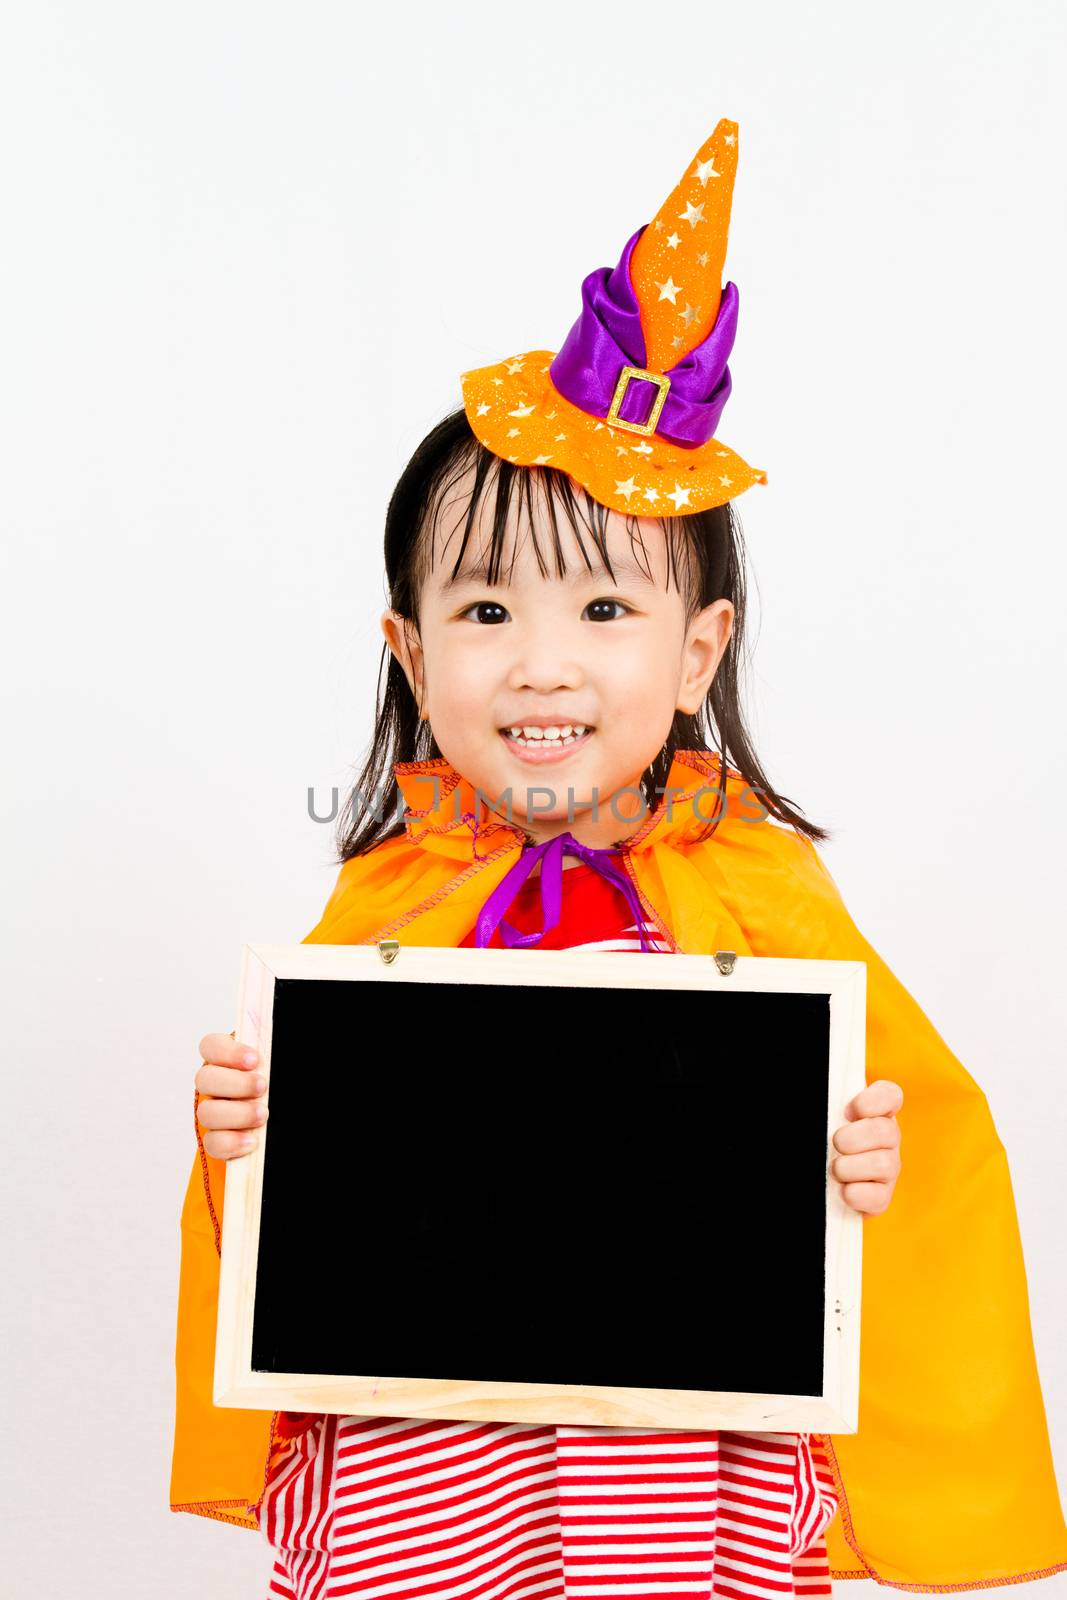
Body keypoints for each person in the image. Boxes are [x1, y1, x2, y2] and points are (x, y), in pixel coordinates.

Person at [170, 121, 1067, 1597]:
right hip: (424, 1477)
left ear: (698, 648)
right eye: (482, 614)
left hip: (680, 1487)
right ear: (409, 647)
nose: (541, 668)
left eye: (602, 613)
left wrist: (859, 1163)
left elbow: (903, 1167)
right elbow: (300, 1238)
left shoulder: (757, 892)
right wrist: (242, 1147)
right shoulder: (390, 904)